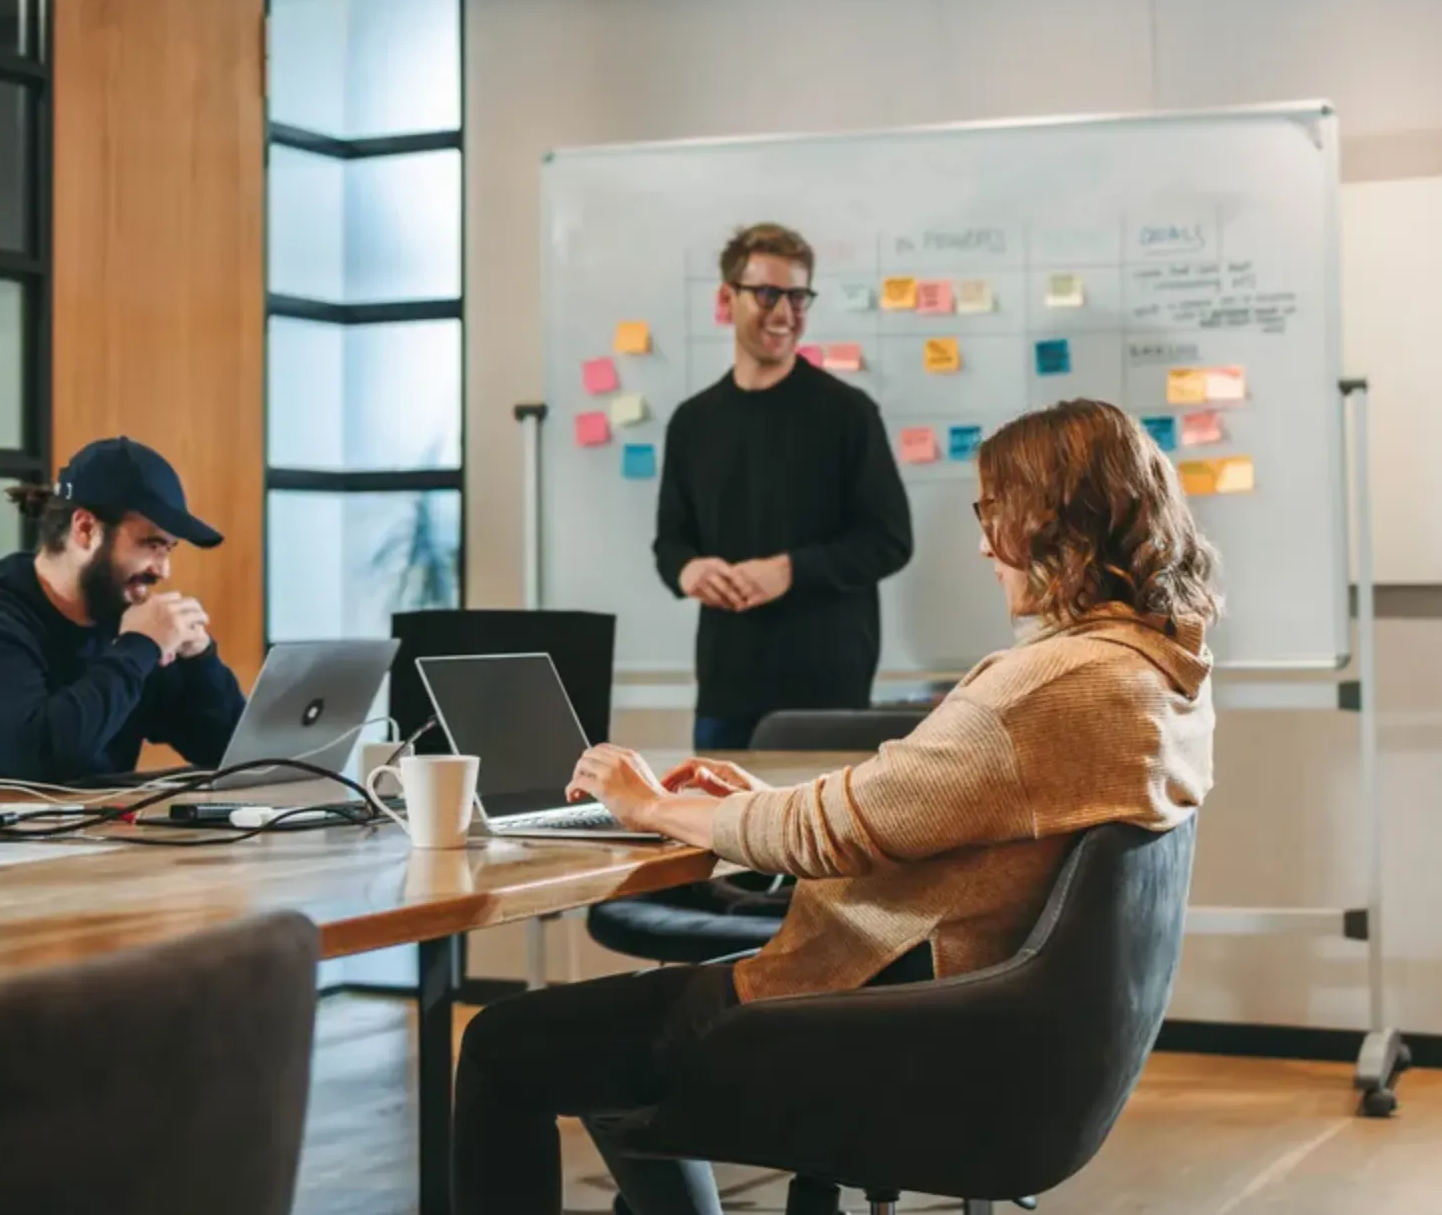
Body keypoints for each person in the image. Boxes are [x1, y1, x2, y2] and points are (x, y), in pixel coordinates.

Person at [458, 398, 1218, 1215]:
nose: (982, 544)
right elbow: (895, 811)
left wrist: (649, 807)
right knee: (602, 1045)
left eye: (994, 513)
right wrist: (758, 807)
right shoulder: (1155, 668)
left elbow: (832, 831)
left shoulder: (1051, 686)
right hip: (960, 1019)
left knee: (505, 1042)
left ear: (1056, 520)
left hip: (876, 1016)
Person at [653, 223, 913, 752]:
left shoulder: (848, 413)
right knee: (715, 808)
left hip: (827, 691)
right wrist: (688, 570)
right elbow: (671, 542)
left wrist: (790, 570)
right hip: (725, 687)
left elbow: (890, 540)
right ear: (726, 299)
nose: (785, 313)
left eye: (797, 297)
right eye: (768, 294)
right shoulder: (693, 422)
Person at [0, 436, 244, 786]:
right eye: (151, 544)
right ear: (85, 529)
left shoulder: (123, 617)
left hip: (88, 822)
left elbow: (230, 754)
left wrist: (201, 661)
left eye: (169, 549)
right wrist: (138, 647)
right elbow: (43, 758)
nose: (163, 570)